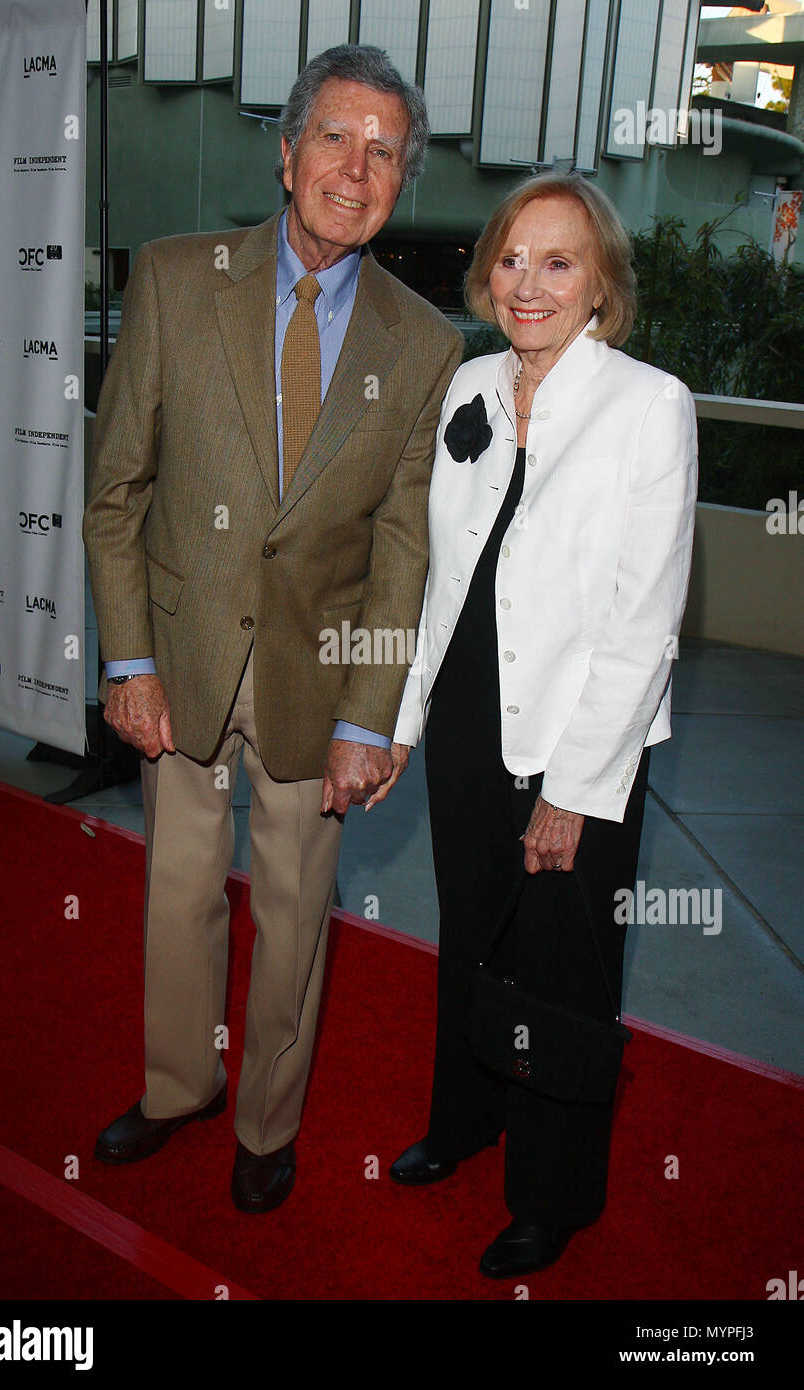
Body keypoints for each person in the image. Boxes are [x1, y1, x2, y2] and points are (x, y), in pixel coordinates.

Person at [82, 44, 462, 1213]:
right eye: (337, 138)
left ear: (404, 177)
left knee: (297, 912)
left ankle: (267, 1121)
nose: (357, 169)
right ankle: (176, 1083)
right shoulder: (174, 277)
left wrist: (370, 715)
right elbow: (117, 491)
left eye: (385, 151)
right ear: (286, 149)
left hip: (319, 677)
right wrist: (130, 658)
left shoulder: (426, 343)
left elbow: (403, 549)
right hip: (183, 659)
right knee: (180, 890)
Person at [376, 171, 698, 1275]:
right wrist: (401, 723)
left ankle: (552, 1194)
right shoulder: (469, 382)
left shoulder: (648, 405)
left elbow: (644, 620)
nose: (527, 283)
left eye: (557, 262)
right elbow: (441, 581)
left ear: (600, 283)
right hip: (469, 715)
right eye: (511, 259)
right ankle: (465, 1121)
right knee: (470, 936)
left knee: (563, 964)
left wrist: (572, 785)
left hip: (578, 739)